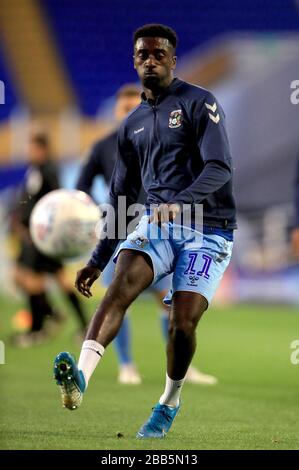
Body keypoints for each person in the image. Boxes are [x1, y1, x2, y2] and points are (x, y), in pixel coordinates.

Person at [54, 24, 236, 438]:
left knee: (182, 323)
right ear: (135, 60)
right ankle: (79, 380)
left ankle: (169, 402)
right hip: (156, 224)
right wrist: (97, 258)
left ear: (172, 59)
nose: (150, 60)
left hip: (209, 228)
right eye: (143, 54)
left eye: (159, 54)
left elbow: (220, 168)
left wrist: (181, 202)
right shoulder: (131, 125)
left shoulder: (199, 103)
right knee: (120, 283)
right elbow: (122, 199)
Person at [77, 83, 217, 385]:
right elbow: (81, 189)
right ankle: (127, 365)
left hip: (160, 228)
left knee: (171, 302)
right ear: (117, 111)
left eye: (134, 106)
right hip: (121, 227)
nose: (130, 111)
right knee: (118, 298)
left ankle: (182, 366)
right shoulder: (103, 147)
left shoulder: (161, 139)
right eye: (125, 107)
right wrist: (96, 220)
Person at [11, 133, 88, 347]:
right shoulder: (35, 170)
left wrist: (42, 229)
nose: (29, 152)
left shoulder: (49, 171)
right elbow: (27, 199)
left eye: (33, 148)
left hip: (41, 236)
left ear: (43, 149)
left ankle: (38, 329)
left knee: (36, 280)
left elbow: (54, 202)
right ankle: (54, 317)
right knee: (25, 277)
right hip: (31, 235)